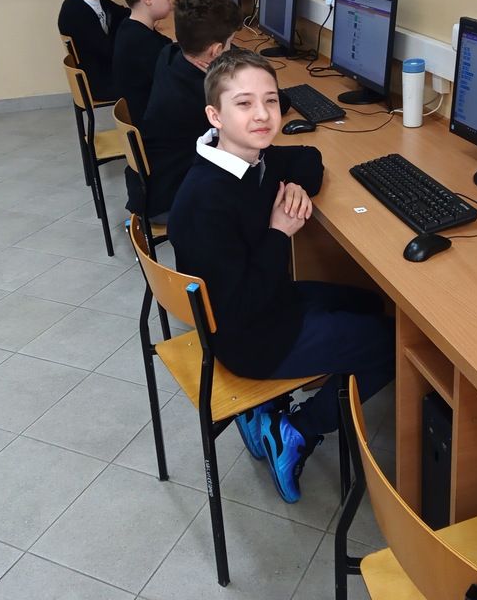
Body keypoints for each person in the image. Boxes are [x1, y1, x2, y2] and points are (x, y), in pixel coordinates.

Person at [167, 49, 396, 503]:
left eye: (270, 101)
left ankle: (266, 410)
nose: (262, 115)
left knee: (370, 301)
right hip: (249, 338)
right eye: (244, 103)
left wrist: (293, 186)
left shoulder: (245, 157)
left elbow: (308, 157)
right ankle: (298, 429)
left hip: (271, 299)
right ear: (215, 115)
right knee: (391, 343)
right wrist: (278, 232)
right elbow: (240, 306)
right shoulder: (204, 201)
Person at [140, 0, 241, 222]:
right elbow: (272, 103)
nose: (232, 49)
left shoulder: (169, 55)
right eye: (230, 44)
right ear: (216, 50)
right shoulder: (205, 95)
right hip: (175, 199)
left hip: (157, 183)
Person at [57, 0, 128, 101]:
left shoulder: (98, 1)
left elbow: (125, 15)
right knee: (151, 78)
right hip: (98, 82)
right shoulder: (74, 10)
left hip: (108, 72)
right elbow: (107, 50)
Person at [113, 0, 173, 123]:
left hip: (144, 118)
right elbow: (174, 80)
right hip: (151, 127)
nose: (170, 1)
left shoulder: (128, 27)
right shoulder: (142, 42)